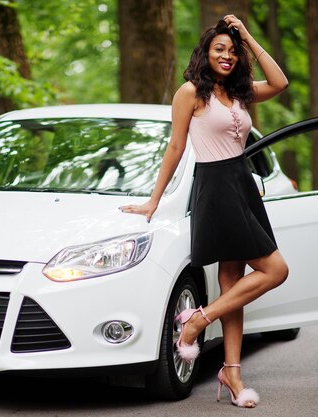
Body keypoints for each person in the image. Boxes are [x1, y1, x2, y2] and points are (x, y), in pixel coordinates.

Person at [120, 15, 289, 408]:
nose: (227, 56)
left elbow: (280, 83)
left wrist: (246, 34)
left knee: (233, 282)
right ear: (205, 52)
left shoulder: (242, 92)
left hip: (243, 186)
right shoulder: (190, 93)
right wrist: (154, 200)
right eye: (220, 49)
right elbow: (175, 148)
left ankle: (232, 372)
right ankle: (196, 321)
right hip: (215, 187)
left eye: (232, 51)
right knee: (276, 270)